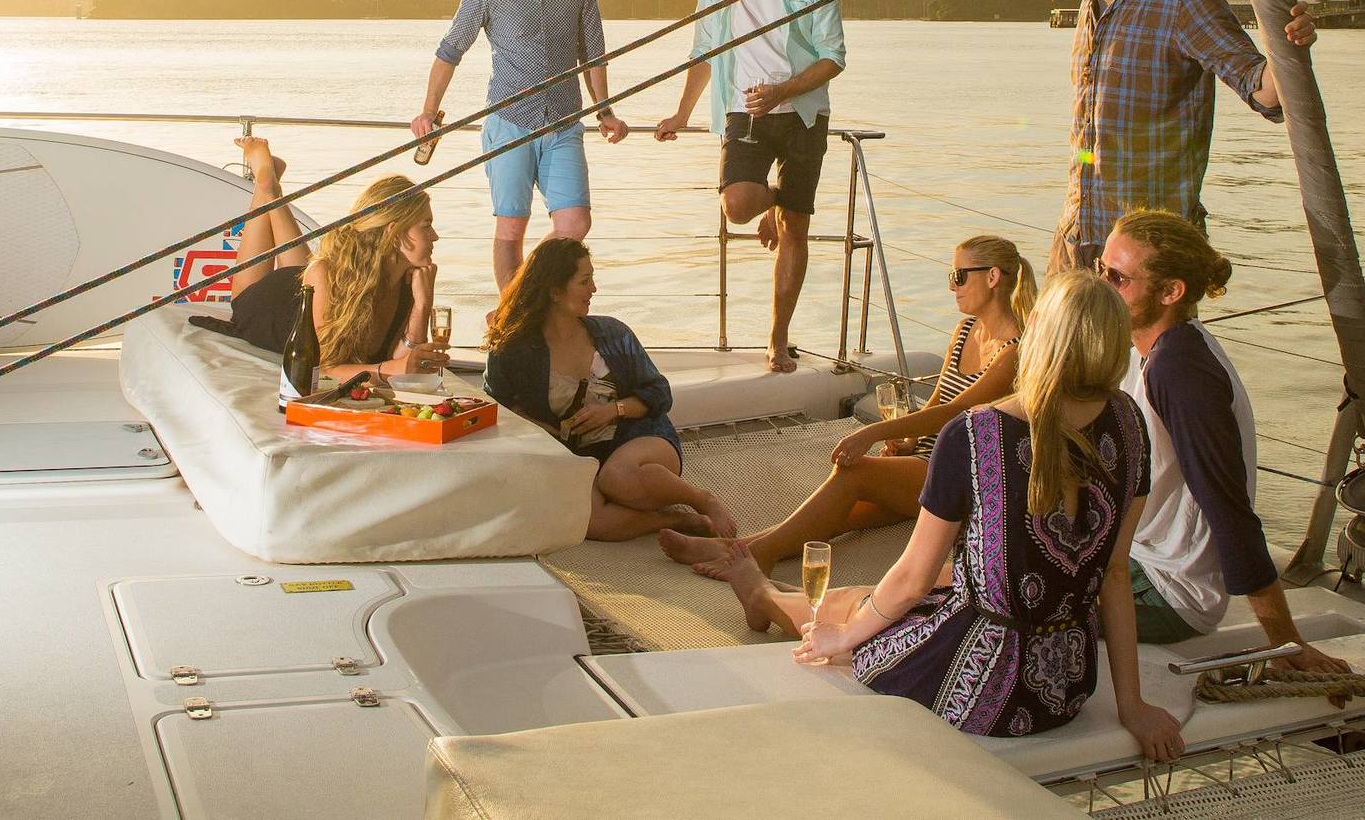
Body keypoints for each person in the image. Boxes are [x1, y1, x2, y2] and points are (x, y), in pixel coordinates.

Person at [718, 271, 1185, 755]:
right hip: (1066, 683)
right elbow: (1112, 575)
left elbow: (910, 581)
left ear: (1040, 339)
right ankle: (774, 594)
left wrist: (845, 642)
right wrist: (1132, 706)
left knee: (868, 616)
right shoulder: (1131, 424)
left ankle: (764, 596)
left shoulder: (975, 434)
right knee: (918, 593)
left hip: (980, 688)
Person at [655, 234, 1029, 580]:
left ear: (993, 277)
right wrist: (910, 440)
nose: (952, 286)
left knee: (854, 474)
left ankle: (758, 556)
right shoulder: (965, 331)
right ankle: (739, 547)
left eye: (959, 276)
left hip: (965, 473)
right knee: (844, 511)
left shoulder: (1012, 352)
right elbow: (935, 402)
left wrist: (871, 432)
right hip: (930, 459)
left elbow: (953, 412)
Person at [1096, 208, 1347, 673]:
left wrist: (1285, 645)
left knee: (999, 599)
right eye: (1101, 268)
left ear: (1171, 292)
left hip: (1167, 590)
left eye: (1118, 277)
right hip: (1134, 558)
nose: (1102, 285)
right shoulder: (1145, 351)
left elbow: (1227, 507)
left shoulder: (1181, 373)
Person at [1046, 0, 1315, 273]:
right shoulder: (1091, 1)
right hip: (1078, 242)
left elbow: (1262, 89)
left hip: (1145, 263)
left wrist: (1289, 44)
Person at [653, 0, 846, 372]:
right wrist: (682, 112)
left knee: (795, 232)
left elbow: (833, 58)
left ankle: (777, 339)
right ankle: (781, 198)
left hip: (802, 112)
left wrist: (783, 91)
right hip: (743, 111)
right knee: (738, 204)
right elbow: (706, 47)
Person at [418, 0, 628, 293]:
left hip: (564, 122)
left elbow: (593, 53)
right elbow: (450, 51)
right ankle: (516, 320)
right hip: (510, 122)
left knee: (574, 225)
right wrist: (428, 112)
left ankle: (516, 302)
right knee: (511, 226)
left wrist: (605, 112)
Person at [484, 237, 735, 543]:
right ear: (554, 291)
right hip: (575, 452)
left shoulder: (612, 334)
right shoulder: (514, 348)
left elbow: (659, 393)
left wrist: (611, 411)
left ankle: (703, 500)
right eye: (585, 281)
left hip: (639, 437)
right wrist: (544, 432)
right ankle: (673, 519)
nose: (594, 290)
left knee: (616, 477)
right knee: (592, 523)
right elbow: (497, 405)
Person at [213, 136, 447, 377]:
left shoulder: (408, 278)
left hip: (306, 284)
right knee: (249, 295)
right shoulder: (327, 274)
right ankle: (265, 185)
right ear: (394, 232)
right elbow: (326, 367)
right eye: (426, 225)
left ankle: (270, 185)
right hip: (269, 303)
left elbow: (407, 365)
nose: (435, 236)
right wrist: (395, 368)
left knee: (313, 271)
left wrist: (423, 304)